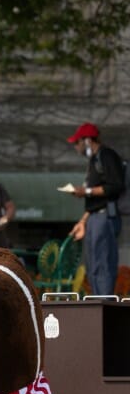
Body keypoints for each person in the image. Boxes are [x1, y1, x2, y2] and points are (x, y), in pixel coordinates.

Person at [66, 122, 125, 296]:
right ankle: (97, 304)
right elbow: (93, 201)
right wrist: (82, 221)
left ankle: (104, 305)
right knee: (92, 266)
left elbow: (115, 186)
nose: (76, 147)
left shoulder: (106, 156)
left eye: (77, 142)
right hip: (93, 218)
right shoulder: (94, 160)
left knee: (103, 264)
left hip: (105, 217)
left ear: (87, 140)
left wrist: (87, 191)